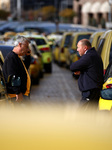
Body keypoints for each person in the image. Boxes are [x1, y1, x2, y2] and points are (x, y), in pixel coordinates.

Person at [70, 39, 104, 108]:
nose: (77, 50)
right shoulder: (93, 54)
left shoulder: (89, 56)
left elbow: (73, 67)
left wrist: (80, 70)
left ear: (85, 48)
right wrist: (82, 71)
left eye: (78, 47)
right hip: (93, 90)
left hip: (90, 92)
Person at [3, 35, 31, 103]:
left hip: (22, 94)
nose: (27, 49)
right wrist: (18, 92)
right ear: (20, 44)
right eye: (26, 47)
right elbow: (12, 76)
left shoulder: (17, 57)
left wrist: (28, 56)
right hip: (16, 96)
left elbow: (25, 69)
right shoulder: (11, 58)